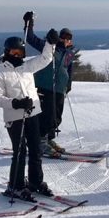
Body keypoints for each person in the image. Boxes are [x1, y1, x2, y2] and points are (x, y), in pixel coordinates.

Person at [0, 30, 59, 201]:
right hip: (15, 117)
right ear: (6, 52)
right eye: (14, 52)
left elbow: (45, 59)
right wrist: (16, 103)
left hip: (33, 113)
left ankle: (35, 182)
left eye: (20, 52)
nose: (17, 55)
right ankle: (16, 185)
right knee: (20, 152)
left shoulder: (26, 66)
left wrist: (50, 44)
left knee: (36, 150)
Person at [24, 12, 77, 157]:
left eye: (68, 38)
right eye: (64, 37)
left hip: (59, 89)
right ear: (60, 37)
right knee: (46, 116)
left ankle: (49, 138)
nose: (66, 40)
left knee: (56, 117)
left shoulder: (70, 54)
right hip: (44, 87)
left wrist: (68, 84)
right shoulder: (50, 47)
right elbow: (30, 38)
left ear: (71, 41)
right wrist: (29, 24)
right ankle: (41, 142)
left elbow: (69, 70)